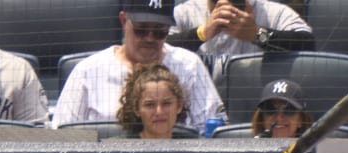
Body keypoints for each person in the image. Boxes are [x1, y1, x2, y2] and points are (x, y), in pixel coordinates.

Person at [53, 0, 223, 131]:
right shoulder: (88, 70)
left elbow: (212, 128)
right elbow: (61, 134)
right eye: (141, 30)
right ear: (123, 20)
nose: (150, 38)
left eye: (159, 31)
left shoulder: (189, 65)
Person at [167, 0, 313, 85]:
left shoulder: (272, 12)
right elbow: (155, 46)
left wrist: (257, 34)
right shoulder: (184, 13)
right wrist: (200, 33)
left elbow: (307, 42)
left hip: (253, 114)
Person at [116, 63, 188, 138]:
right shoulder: (113, 147)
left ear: (179, 106)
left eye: (166, 103)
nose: (159, 112)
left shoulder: (196, 145)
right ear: (137, 109)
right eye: (150, 105)